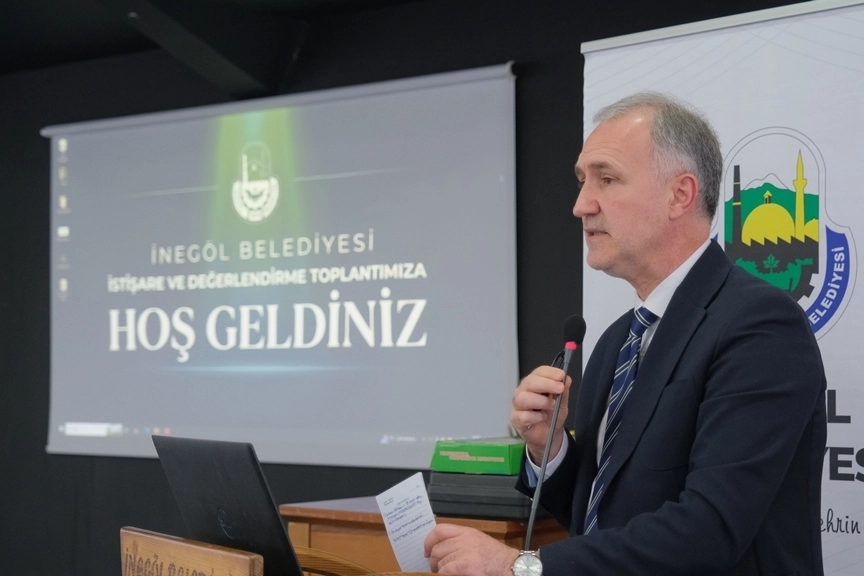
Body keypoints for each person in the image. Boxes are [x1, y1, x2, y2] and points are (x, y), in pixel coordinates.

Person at [424, 92, 827, 575]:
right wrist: (550, 449)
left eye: (607, 179)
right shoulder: (618, 339)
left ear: (680, 195)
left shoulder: (760, 326)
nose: (581, 205)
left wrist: (521, 567)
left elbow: (710, 531)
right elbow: (598, 516)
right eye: (582, 181)